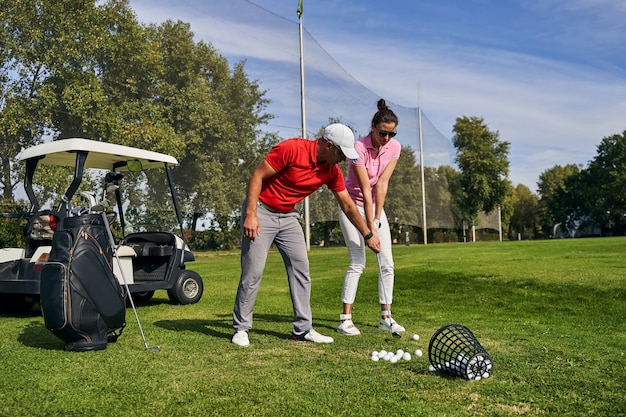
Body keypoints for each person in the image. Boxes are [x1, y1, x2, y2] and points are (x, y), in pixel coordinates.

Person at [232, 123, 381, 347]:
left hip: (289, 216)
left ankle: (302, 329)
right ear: (329, 146)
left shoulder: (331, 171)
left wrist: (368, 234)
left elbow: (348, 206)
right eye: (341, 153)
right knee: (253, 272)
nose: (343, 160)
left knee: (301, 269)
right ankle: (241, 328)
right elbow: (256, 176)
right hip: (261, 210)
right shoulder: (291, 149)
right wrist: (251, 214)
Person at [336, 99, 405, 336]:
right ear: (373, 128)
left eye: (392, 134)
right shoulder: (358, 147)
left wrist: (376, 219)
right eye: (383, 133)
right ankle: (345, 320)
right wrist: (369, 231)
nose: (387, 138)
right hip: (351, 206)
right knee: (358, 261)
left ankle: (386, 317)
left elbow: (382, 184)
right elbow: (365, 190)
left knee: (387, 263)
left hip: (375, 206)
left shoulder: (394, 148)